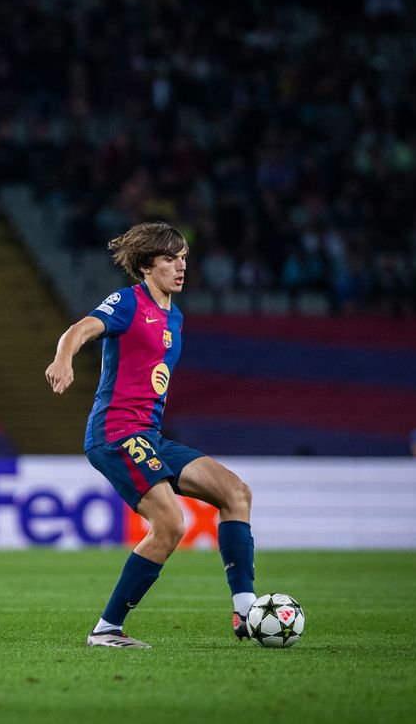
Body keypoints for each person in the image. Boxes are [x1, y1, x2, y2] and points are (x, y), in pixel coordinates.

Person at [44, 221, 257, 648]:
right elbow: (79, 329)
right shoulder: (127, 302)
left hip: (149, 434)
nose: (180, 267)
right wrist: (63, 358)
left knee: (236, 494)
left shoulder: (174, 316)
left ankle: (247, 611)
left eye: (183, 259)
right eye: (169, 259)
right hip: (115, 432)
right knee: (170, 523)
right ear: (146, 266)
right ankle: (106, 630)